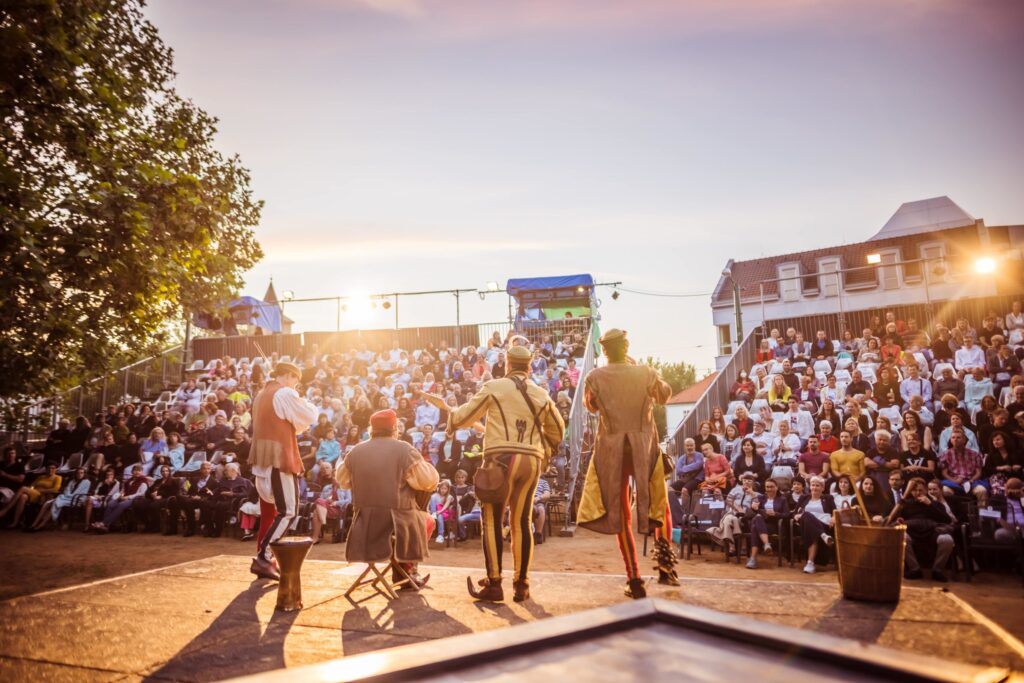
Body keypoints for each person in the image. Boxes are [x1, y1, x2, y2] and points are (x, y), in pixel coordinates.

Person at [444, 343, 565, 602]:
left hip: (500, 459)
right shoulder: (541, 394)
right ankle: (522, 585)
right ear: (529, 366)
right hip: (531, 461)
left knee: (491, 520)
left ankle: (494, 583)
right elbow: (558, 431)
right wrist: (544, 449)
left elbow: (465, 416)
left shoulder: (494, 387)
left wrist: (452, 420)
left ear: (508, 365)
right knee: (521, 521)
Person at [577, 328, 676, 599]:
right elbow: (665, 395)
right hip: (644, 446)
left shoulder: (595, 376)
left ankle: (634, 579)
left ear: (605, 351)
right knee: (659, 503)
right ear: (627, 346)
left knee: (621, 512)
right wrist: (643, 372)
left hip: (612, 450)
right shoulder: (645, 371)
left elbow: (591, 406)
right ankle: (666, 567)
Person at [339, 409, 439, 589]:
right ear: (394, 428)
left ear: (371, 429)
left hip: (364, 526)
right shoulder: (404, 450)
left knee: (412, 520)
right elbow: (429, 481)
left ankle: (402, 571)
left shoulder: (355, 451)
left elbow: (343, 481)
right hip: (396, 525)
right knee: (428, 520)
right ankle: (407, 571)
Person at [250, 361, 319, 581]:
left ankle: (265, 557)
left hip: (263, 460)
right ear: (289, 376)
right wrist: (304, 400)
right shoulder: (285, 392)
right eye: (296, 380)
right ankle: (263, 557)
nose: (296, 386)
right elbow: (309, 417)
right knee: (288, 511)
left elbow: (294, 424)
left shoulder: (261, 395)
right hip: (279, 459)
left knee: (282, 511)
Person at [889, 477, 956, 582]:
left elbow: (946, 520)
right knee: (902, 537)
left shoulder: (935, 503)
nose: (918, 493)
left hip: (932, 531)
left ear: (925, 490)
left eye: (920, 490)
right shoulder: (906, 504)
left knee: (947, 539)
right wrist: (899, 520)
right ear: (911, 491)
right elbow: (893, 518)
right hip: (912, 531)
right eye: (915, 490)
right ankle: (915, 569)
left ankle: (937, 570)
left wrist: (930, 504)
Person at [793, 475, 837, 573]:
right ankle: (823, 536)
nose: (814, 488)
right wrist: (796, 516)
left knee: (809, 521)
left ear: (823, 488)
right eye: (813, 485)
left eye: (818, 485)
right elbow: (796, 513)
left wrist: (834, 518)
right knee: (807, 515)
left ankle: (810, 563)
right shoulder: (804, 498)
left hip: (823, 524)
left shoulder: (828, 498)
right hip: (804, 526)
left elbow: (835, 511)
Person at [0, 463, 62, 528]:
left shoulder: (58, 478)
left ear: (55, 470)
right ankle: (15, 522)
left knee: (23, 488)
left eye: (53, 468)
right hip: (34, 493)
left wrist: (39, 490)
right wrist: (31, 489)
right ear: (46, 469)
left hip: (42, 495)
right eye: (49, 468)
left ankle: (5, 510)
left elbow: (55, 489)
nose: (50, 469)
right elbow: (32, 485)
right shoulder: (41, 477)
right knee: (23, 497)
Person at [91, 464, 149, 533]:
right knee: (110, 504)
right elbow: (123, 490)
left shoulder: (143, 481)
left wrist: (127, 497)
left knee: (121, 505)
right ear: (132, 472)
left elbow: (141, 493)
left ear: (142, 472)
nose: (136, 472)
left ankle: (104, 523)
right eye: (135, 470)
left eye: (139, 471)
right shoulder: (128, 481)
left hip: (135, 499)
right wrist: (121, 495)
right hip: (124, 497)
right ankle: (107, 526)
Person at [202, 462, 254, 537]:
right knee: (204, 503)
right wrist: (212, 493)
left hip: (233, 502)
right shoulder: (223, 480)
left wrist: (233, 494)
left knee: (220, 505)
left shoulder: (242, 481)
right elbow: (217, 490)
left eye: (226, 470)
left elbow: (246, 494)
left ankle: (218, 531)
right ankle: (210, 528)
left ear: (233, 471)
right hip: (219, 499)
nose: (224, 472)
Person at [746, 478, 789, 569]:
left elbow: (787, 515)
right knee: (757, 519)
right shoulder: (761, 498)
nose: (769, 489)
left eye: (771, 487)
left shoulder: (782, 499)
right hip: (761, 523)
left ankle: (753, 558)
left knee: (755, 526)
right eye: (767, 487)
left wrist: (776, 514)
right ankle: (766, 544)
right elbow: (752, 512)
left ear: (776, 487)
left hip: (774, 525)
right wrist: (754, 508)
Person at [938, 427, 987, 505]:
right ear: (950, 440)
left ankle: (982, 516)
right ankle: (953, 515)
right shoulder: (946, 454)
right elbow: (944, 473)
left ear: (964, 440)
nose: (955, 439)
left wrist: (971, 480)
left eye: (958, 437)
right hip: (953, 482)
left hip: (971, 481)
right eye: (953, 437)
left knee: (982, 490)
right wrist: (954, 481)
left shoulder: (974, 454)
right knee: (945, 490)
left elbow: (978, 472)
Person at [133, 464, 181, 533]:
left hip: (166, 499)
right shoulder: (158, 481)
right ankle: (148, 524)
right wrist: (151, 494)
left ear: (169, 472)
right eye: (163, 471)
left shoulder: (173, 481)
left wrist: (161, 495)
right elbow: (148, 491)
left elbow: (174, 492)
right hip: (153, 498)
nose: (165, 473)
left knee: (153, 505)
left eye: (166, 471)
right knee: (138, 504)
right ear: (161, 472)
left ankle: (156, 526)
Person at [429, 479, 456, 543]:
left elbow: (445, 507)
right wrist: (430, 511)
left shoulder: (449, 497)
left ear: (448, 489)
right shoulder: (434, 496)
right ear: (439, 488)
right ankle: (433, 514)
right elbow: (429, 504)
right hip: (436, 512)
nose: (443, 490)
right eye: (442, 488)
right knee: (433, 497)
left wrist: (439, 512)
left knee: (440, 516)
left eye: (445, 489)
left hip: (446, 512)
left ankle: (440, 535)